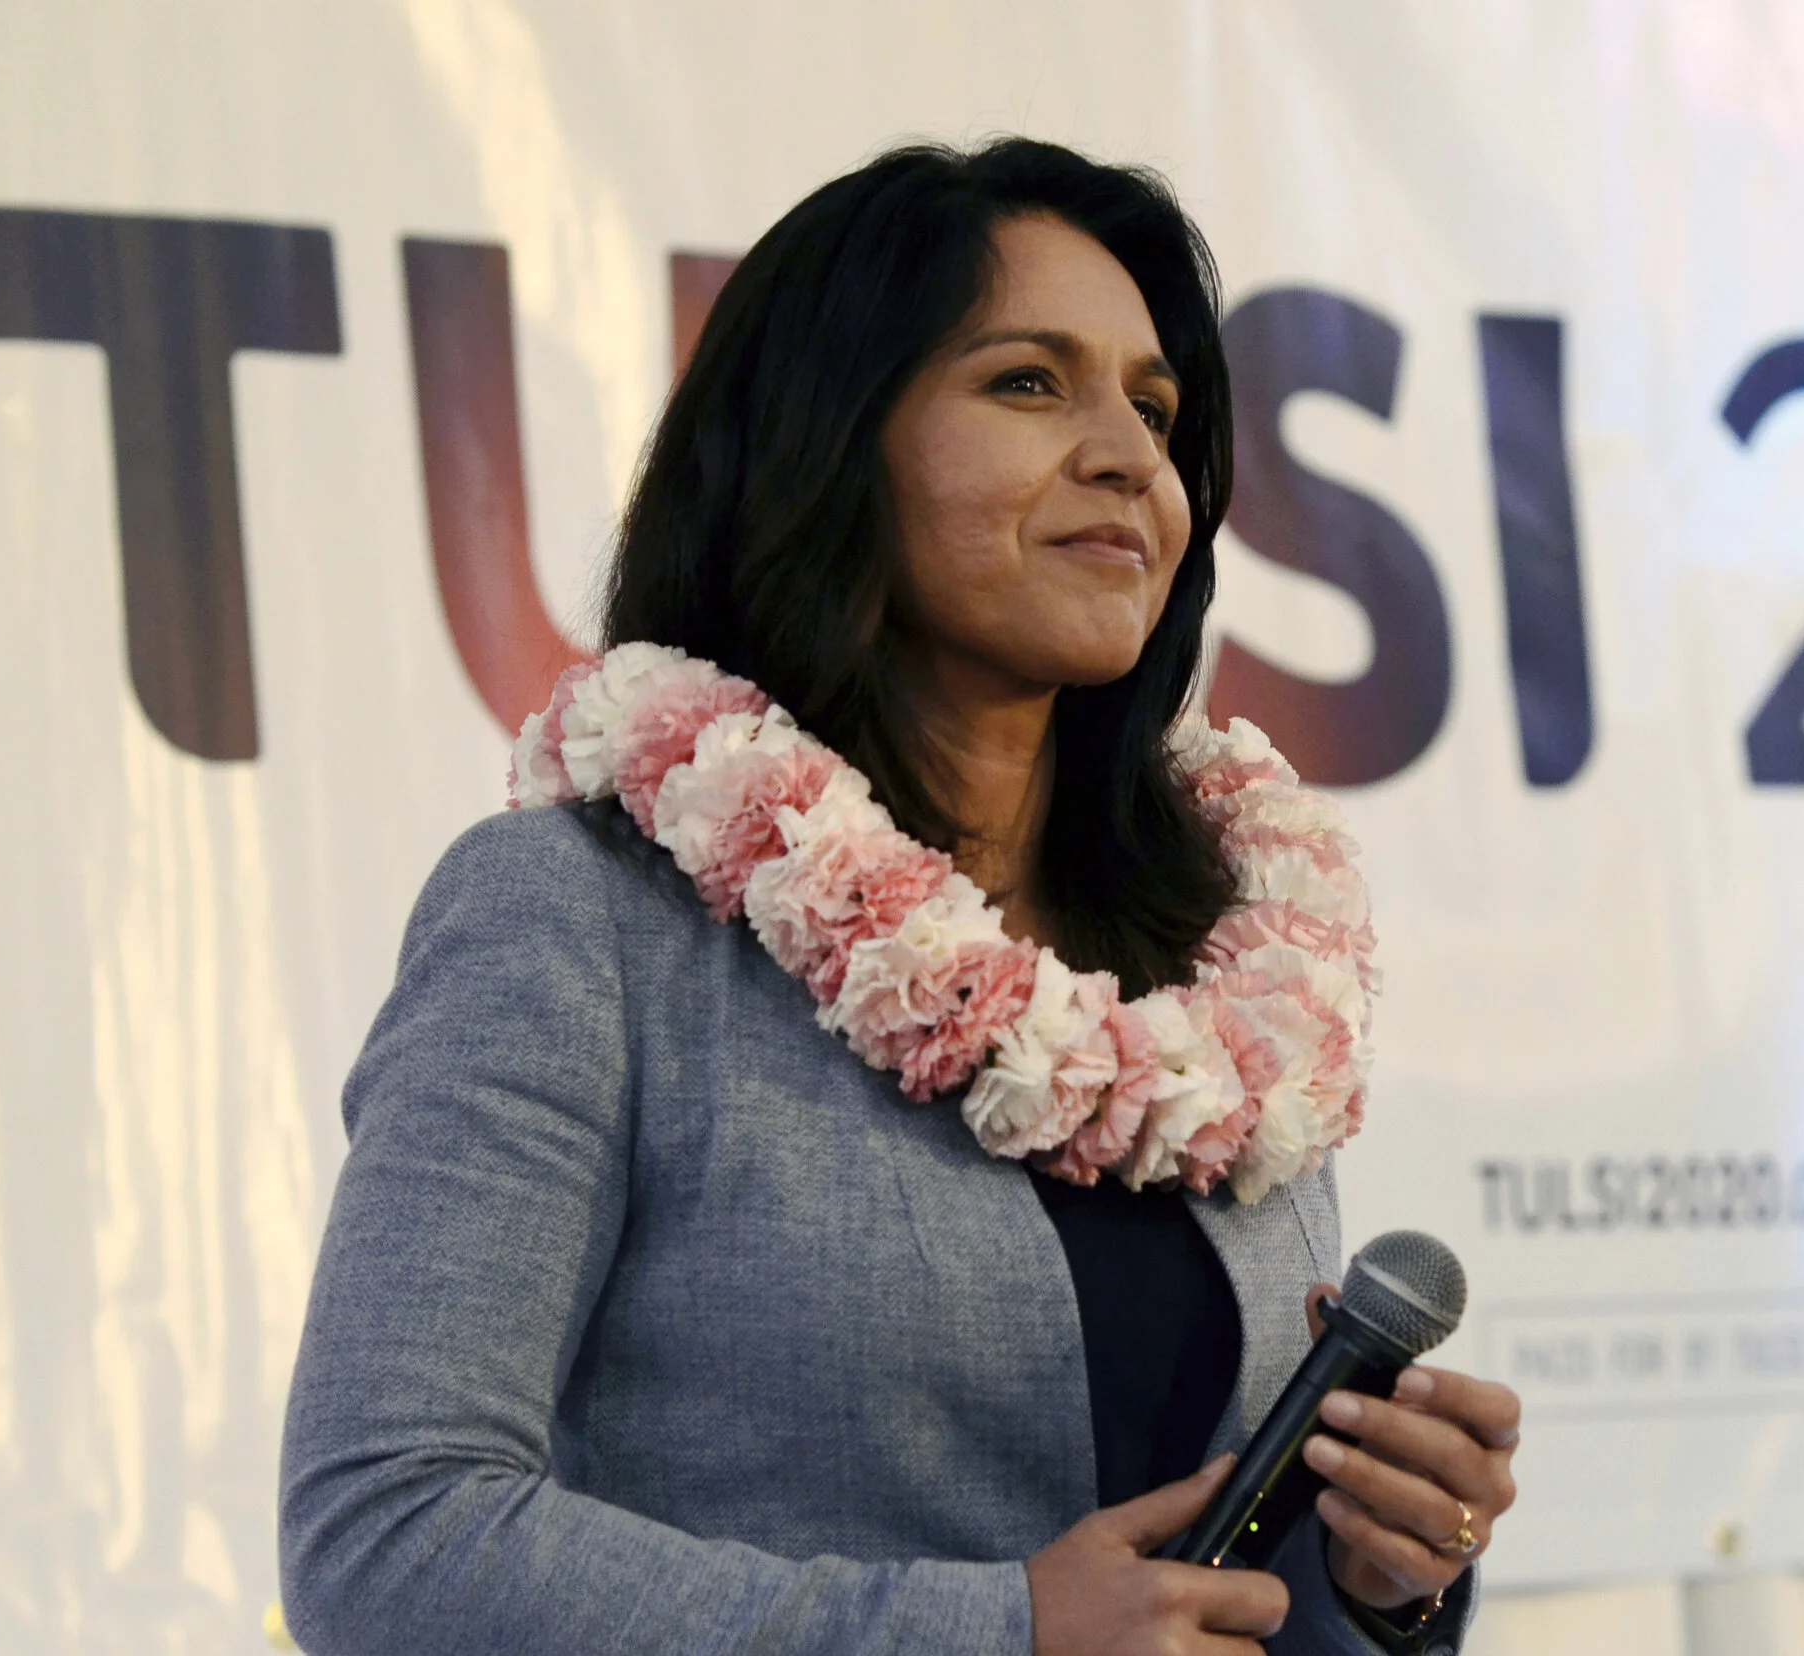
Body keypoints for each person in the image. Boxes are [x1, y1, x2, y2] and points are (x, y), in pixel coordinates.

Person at [278, 136, 1520, 1656]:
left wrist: (1378, 1588)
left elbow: (1205, 1603)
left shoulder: (1216, 964)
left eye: (1155, 407)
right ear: (828, 441)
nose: (1133, 456)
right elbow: (386, 1535)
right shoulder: (578, 921)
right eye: (1028, 383)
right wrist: (993, 1633)